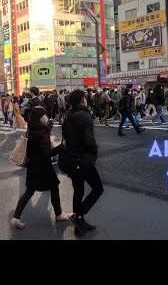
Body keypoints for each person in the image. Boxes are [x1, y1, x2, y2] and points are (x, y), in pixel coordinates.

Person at [10, 107, 72, 229]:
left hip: (33, 166)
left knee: (29, 191)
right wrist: (61, 148)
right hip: (44, 167)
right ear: (40, 117)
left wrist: (47, 129)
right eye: (45, 115)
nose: (47, 117)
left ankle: (16, 217)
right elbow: (46, 153)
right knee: (54, 187)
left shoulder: (32, 128)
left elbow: (37, 144)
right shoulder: (42, 133)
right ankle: (59, 214)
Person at [62, 89, 103, 235]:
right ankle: (78, 215)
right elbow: (89, 140)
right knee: (98, 188)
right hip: (83, 159)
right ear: (82, 100)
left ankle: (79, 224)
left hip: (70, 159)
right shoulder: (85, 116)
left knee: (78, 190)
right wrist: (95, 150)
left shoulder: (68, 115)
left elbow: (66, 137)